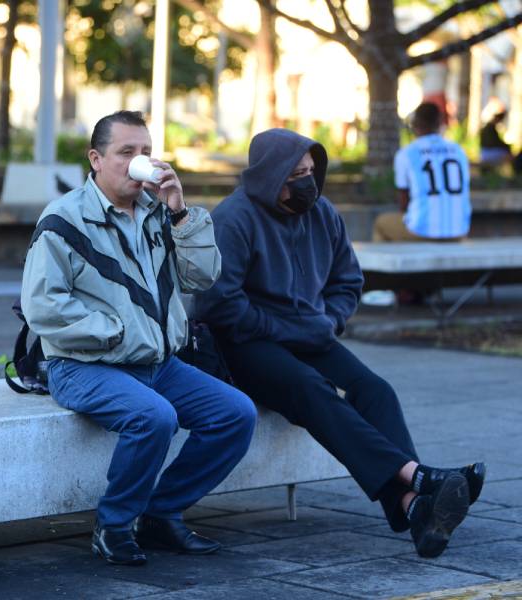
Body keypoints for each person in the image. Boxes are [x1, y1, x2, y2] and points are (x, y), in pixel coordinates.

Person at [195, 128, 486, 559]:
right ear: (270, 174)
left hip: (310, 333)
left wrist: (329, 319)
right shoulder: (233, 219)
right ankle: (420, 477)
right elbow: (220, 305)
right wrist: (293, 329)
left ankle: (414, 506)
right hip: (244, 345)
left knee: (375, 390)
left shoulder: (322, 212)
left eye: (311, 171)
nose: (306, 181)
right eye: (295, 173)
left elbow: (348, 280)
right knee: (312, 388)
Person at [20, 110, 257, 566]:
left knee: (235, 414)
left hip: (157, 365)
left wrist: (182, 212)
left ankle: (162, 512)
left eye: (145, 151)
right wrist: (118, 333)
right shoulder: (65, 219)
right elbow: (43, 306)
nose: (138, 160)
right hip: (82, 366)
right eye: (125, 152)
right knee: (154, 417)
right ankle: (113, 526)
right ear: (96, 158)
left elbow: (203, 278)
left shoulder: (159, 214)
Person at [373, 102, 471, 242]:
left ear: (415, 124)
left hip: (422, 231)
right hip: (459, 231)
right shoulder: (459, 151)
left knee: (381, 223)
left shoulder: (407, 153)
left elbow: (403, 201)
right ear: (439, 123)